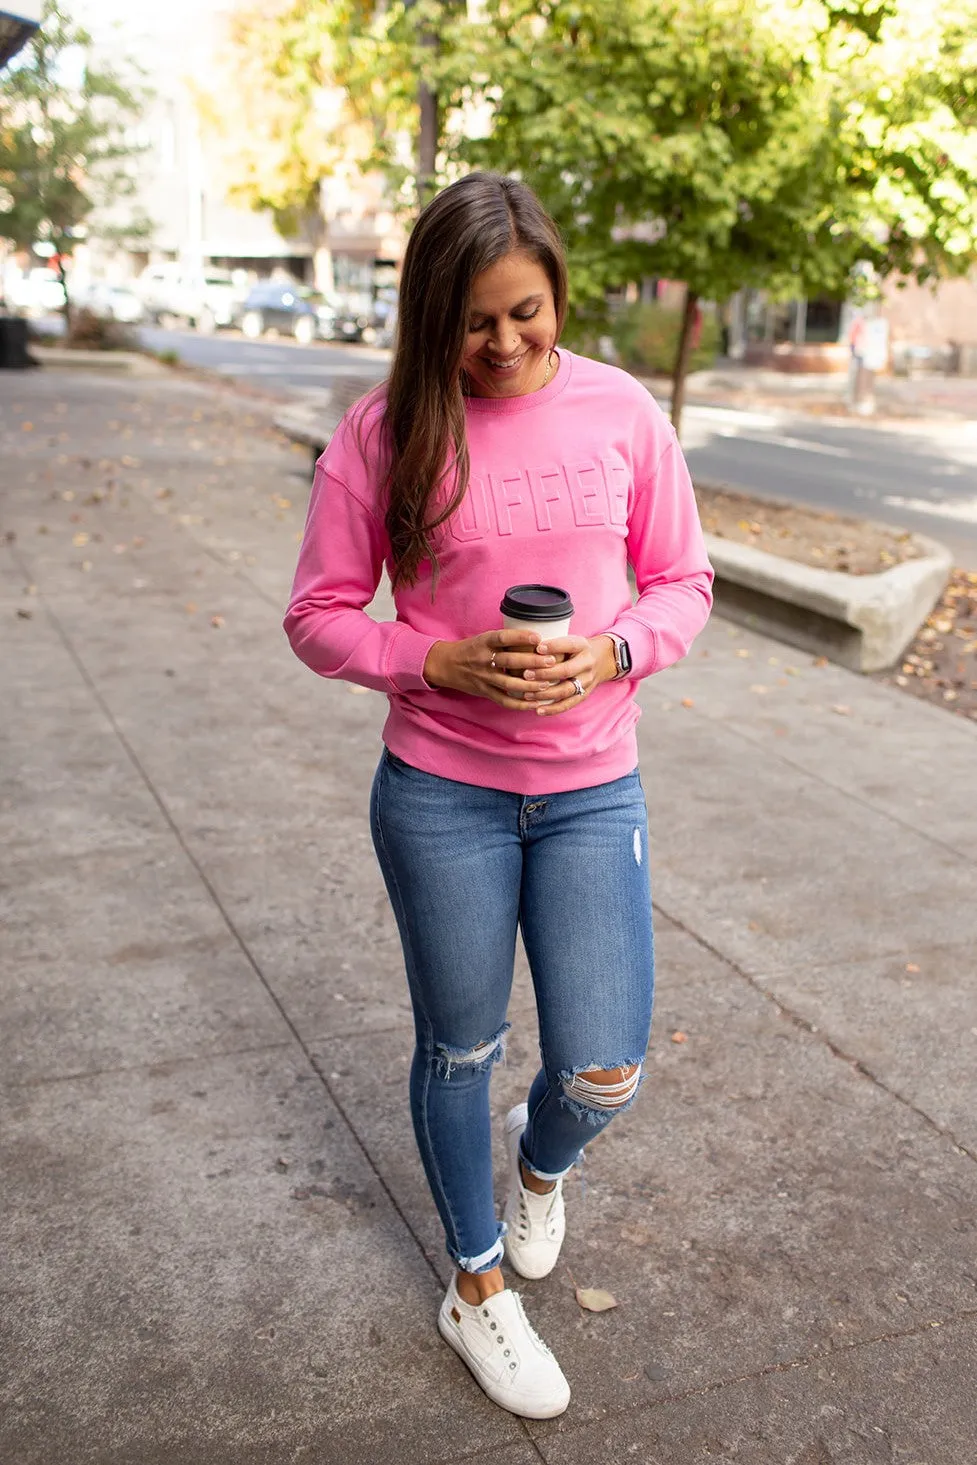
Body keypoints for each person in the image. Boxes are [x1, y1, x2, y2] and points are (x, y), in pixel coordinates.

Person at [284, 172, 713, 1419]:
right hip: (441, 793)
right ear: (431, 317)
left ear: (558, 293)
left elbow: (681, 579)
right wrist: (435, 658)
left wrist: (618, 649)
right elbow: (315, 616)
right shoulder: (385, 433)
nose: (507, 344)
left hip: (590, 788)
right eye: (474, 322)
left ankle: (539, 1164)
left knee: (601, 1067)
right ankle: (474, 1293)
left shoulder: (623, 413)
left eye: (525, 312)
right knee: (458, 1045)